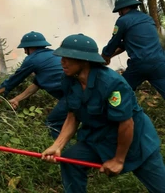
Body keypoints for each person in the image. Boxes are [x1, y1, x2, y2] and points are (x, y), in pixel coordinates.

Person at [42, 33, 165, 193]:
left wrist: (119, 160)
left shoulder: (112, 83)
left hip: (135, 142)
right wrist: (57, 145)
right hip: (98, 138)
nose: (62, 61)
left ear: (84, 60)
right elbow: (73, 115)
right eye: (62, 56)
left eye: (67, 57)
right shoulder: (69, 80)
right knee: (70, 161)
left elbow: (126, 123)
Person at [0, 31, 67, 139]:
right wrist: (17, 99)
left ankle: (65, 152)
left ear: (29, 48)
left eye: (25, 49)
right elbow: (36, 85)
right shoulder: (52, 55)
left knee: (53, 124)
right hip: (79, 91)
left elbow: (14, 80)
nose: (25, 52)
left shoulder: (32, 59)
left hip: (72, 95)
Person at [101, 0, 165, 98]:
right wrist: (109, 56)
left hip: (140, 65)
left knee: (119, 91)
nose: (119, 13)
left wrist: (105, 55)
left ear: (125, 8)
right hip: (160, 62)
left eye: (119, 11)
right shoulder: (147, 18)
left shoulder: (123, 21)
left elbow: (114, 42)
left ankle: (123, 112)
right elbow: (125, 44)